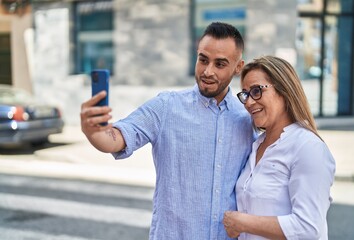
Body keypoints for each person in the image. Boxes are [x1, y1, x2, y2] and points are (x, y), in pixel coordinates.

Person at [81, 22, 256, 239]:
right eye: (203, 60)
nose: (208, 71)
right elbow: (117, 139)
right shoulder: (167, 106)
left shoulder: (248, 117)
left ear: (238, 68)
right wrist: (93, 131)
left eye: (220, 64)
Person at [223, 55, 336, 239]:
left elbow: (309, 229)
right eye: (245, 94)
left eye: (257, 91)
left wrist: (241, 222)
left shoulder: (308, 147)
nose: (249, 102)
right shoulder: (256, 144)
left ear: (283, 91)